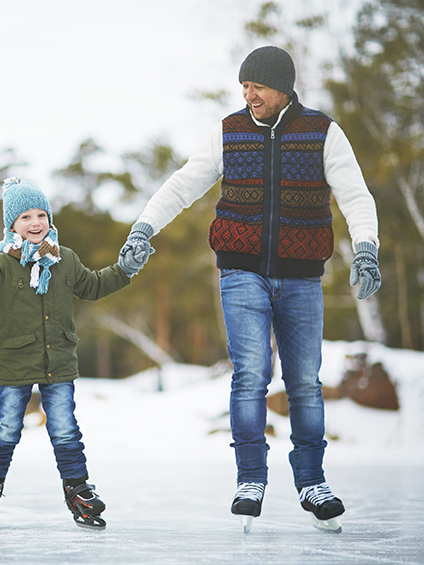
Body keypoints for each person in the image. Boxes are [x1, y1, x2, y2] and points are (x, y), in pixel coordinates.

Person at [119, 46, 381, 532]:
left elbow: (354, 193)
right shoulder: (230, 132)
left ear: (282, 87)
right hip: (240, 270)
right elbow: (183, 184)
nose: (248, 94)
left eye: (257, 86)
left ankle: (311, 481)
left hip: (302, 275)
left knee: (304, 380)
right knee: (252, 371)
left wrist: (366, 247)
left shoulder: (322, 132)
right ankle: (250, 477)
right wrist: (142, 229)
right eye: (244, 86)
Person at [0, 177, 144, 529]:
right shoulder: (2, 265)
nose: (35, 223)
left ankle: (78, 490)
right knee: (6, 428)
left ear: (49, 218)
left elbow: (94, 285)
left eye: (41, 215)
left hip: (60, 361)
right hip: (17, 363)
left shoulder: (66, 260)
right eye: (25, 218)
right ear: (12, 225)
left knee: (65, 430)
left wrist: (126, 269)